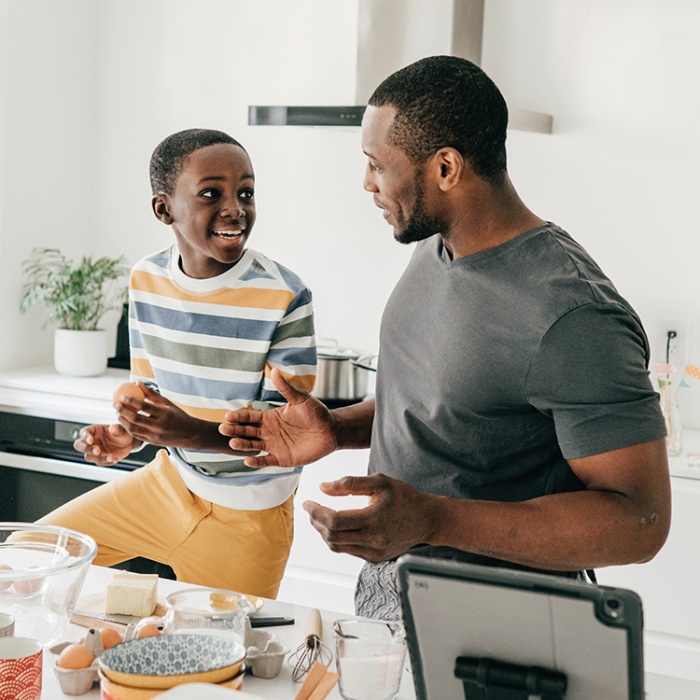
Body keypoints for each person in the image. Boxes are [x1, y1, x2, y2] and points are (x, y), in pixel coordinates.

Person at [218, 56, 671, 620]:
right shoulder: (436, 247)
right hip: (393, 587)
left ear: (446, 168)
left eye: (377, 165)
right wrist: (337, 428)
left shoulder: (571, 315)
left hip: (503, 621)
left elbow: (640, 522)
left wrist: (433, 519)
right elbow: (450, 403)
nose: (366, 183)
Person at [39, 128, 317, 599]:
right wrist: (130, 432)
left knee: (222, 661)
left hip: (248, 516)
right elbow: (149, 388)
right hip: (168, 484)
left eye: (245, 192)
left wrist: (184, 432)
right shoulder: (146, 277)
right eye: (212, 193)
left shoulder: (285, 295)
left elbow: (284, 435)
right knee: (31, 558)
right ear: (164, 208)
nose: (235, 208)